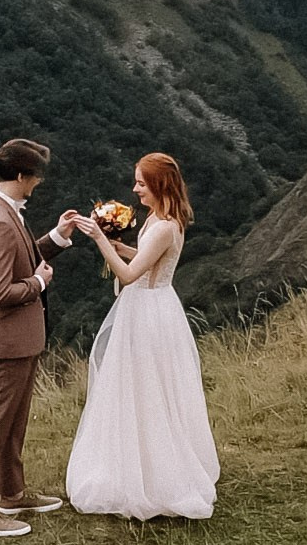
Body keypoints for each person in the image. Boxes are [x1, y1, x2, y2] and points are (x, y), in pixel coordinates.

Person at [66, 152, 220, 520]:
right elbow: (150, 261)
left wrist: (101, 239)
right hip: (151, 308)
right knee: (140, 388)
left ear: (157, 185)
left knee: (149, 389)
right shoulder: (160, 220)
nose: (135, 189)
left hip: (149, 312)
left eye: (140, 182)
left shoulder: (166, 225)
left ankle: (155, 477)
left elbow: (130, 275)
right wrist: (125, 247)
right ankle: (146, 467)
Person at [0, 137, 83, 538]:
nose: (37, 185)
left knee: (13, 423)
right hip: (8, 340)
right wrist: (37, 281)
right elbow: (0, 293)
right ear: (20, 176)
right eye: (34, 178)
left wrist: (58, 236)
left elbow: (22, 253)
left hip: (19, 340)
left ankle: (12, 494)